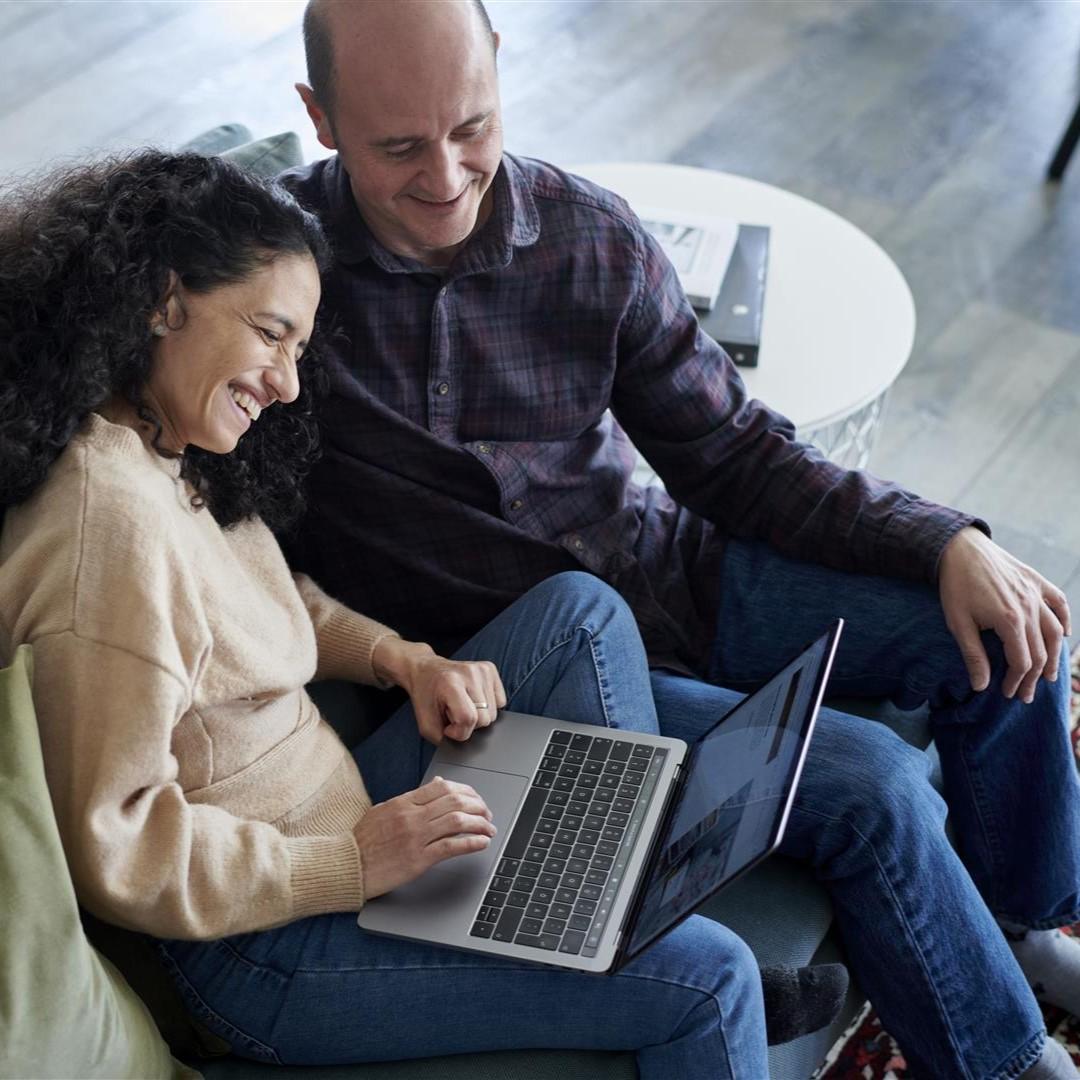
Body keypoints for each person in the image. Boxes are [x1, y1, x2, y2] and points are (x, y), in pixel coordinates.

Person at [276, 0, 1080, 1076]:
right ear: (320, 118)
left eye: (471, 126)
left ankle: (1019, 923)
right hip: (524, 689)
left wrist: (944, 543)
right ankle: (1010, 1065)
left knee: (1009, 627)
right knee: (878, 785)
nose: (448, 175)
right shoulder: (277, 289)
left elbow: (738, 455)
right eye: (400, 147)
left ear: (502, 66)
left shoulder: (590, 237)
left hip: (677, 571)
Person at [0, 150, 859, 1079]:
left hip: (334, 816)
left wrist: (404, 660)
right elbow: (116, 848)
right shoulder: (107, 531)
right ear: (163, 299)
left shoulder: (157, 436)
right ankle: (661, 956)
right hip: (263, 947)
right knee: (714, 979)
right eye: (269, 333)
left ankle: (627, 910)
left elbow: (262, 605)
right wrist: (352, 865)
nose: (287, 383)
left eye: (299, 349)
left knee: (578, 614)